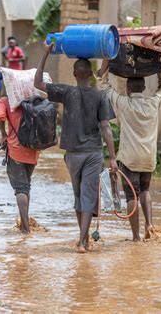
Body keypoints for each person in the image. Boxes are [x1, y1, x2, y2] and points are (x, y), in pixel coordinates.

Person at [34, 43, 118, 254]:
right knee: (87, 196)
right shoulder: (100, 96)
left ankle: (83, 239)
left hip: (73, 155)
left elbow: (38, 83)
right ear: (90, 74)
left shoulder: (66, 92)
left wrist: (45, 54)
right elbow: (106, 127)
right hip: (93, 153)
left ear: (74, 73)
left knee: (80, 197)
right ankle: (83, 240)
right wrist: (113, 158)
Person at [98, 59, 161, 241]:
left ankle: (136, 236)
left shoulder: (124, 104)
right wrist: (158, 66)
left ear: (128, 89)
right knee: (145, 191)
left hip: (129, 158)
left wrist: (105, 70)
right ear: (144, 87)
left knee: (132, 196)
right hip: (148, 158)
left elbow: (105, 87)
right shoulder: (154, 103)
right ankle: (149, 226)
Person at [0, 95, 40, 234]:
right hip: (34, 148)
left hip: (15, 150)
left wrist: (3, 134)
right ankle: (24, 223)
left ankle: (25, 229)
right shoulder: (34, 98)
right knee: (26, 186)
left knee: (21, 188)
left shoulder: (6, 100)